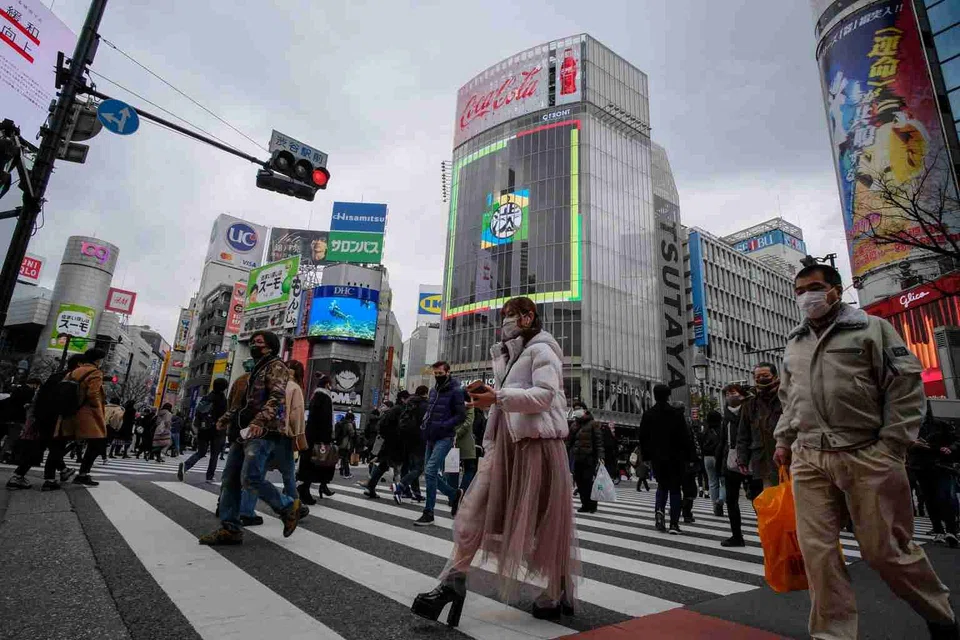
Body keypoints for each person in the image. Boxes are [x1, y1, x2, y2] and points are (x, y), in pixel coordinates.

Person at [773, 263, 958, 640]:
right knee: (817, 553)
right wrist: (783, 440)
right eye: (799, 291)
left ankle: (938, 614)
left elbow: (905, 388)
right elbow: (789, 398)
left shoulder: (872, 329)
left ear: (835, 290)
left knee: (885, 551)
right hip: (809, 455)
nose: (806, 296)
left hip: (866, 453)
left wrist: (892, 444)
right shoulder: (795, 341)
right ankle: (832, 634)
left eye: (814, 287)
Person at [412, 296, 579, 626]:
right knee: (473, 512)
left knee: (544, 522)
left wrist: (498, 397)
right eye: (504, 315)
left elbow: (545, 396)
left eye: (511, 315)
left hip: (537, 446)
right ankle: (451, 583)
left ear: (528, 317)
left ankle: (556, 589)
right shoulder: (508, 354)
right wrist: (490, 397)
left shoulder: (543, 350)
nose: (505, 321)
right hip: (504, 447)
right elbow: (508, 400)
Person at [199, 330, 301, 545]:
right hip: (243, 431)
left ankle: (287, 506)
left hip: (262, 431)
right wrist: (225, 418)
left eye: (259, 342)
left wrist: (259, 422)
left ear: (270, 346)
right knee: (230, 478)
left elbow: (276, 398)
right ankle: (230, 528)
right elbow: (243, 403)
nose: (254, 345)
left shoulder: (276, 366)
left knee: (250, 478)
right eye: (253, 341)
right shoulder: (256, 369)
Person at [393, 361, 466, 526]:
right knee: (428, 472)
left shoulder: (456, 391)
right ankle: (454, 495)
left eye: (441, 373)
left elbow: (461, 415)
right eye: (436, 373)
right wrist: (424, 426)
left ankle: (429, 512)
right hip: (430, 436)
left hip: (445, 437)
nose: (438, 376)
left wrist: (444, 425)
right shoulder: (433, 391)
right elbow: (430, 412)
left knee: (431, 470)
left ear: (448, 372)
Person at [6, 359, 80, 491]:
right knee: (54, 448)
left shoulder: (55, 377)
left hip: (44, 418)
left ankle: (18, 476)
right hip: (58, 419)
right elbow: (68, 403)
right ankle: (50, 480)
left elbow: (39, 396)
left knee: (40, 447)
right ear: (79, 365)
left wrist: (36, 416)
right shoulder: (71, 380)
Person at [638, 384, 693, 534]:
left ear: (654, 395)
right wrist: (689, 457)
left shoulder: (648, 414)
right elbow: (685, 438)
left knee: (662, 486)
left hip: (657, 457)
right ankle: (674, 524)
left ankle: (659, 513)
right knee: (675, 489)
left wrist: (647, 456)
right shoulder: (676, 414)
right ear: (668, 396)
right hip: (676, 457)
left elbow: (643, 437)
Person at [55, 349, 108, 487]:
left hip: (70, 411)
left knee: (64, 440)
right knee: (97, 442)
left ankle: (60, 466)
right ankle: (83, 474)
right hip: (87, 413)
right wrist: (97, 407)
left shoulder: (73, 372)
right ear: (98, 360)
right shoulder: (95, 372)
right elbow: (93, 393)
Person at [716, 383, 760, 547]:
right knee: (731, 500)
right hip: (731, 461)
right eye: (727, 394)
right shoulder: (726, 415)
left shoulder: (751, 410)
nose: (729, 396)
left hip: (751, 459)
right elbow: (722, 441)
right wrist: (720, 464)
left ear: (741, 395)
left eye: (733, 392)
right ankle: (736, 536)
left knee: (757, 500)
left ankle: (768, 534)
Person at [910, 405, 959, 547]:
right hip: (921, 467)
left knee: (945, 497)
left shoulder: (940, 424)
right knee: (930, 500)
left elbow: (956, 440)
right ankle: (938, 530)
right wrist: (912, 445)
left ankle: (951, 530)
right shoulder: (909, 427)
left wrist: (950, 449)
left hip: (941, 465)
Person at [736, 363, 782, 491]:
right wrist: (742, 459)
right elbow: (743, 434)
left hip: (789, 458)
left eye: (765, 375)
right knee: (771, 497)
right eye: (758, 377)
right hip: (763, 461)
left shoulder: (786, 397)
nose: (761, 379)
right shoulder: (750, 404)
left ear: (775, 376)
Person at [179, 378, 229, 483]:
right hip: (216, 430)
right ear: (224, 388)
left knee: (201, 452)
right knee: (214, 455)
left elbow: (198, 413)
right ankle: (209, 477)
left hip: (203, 429)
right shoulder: (223, 400)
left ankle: (186, 466)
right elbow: (225, 416)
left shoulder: (206, 397)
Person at [363, 390, 410, 499]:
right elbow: (399, 426)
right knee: (398, 467)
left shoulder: (394, 409)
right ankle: (399, 491)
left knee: (383, 465)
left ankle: (370, 487)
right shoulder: (400, 410)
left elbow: (382, 426)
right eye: (408, 399)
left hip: (389, 442)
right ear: (403, 399)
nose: (409, 401)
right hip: (395, 442)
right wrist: (396, 435)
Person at [297, 374, 336, 503]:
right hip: (319, 438)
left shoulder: (316, 396)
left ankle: (303, 488)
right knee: (315, 464)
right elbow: (325, 420)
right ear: (327, 385)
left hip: (311, 436)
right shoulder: (325, 397)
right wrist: (327, 438)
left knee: (310, 464)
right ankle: (303, 490)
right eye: (330, 384)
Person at [394, 385, 429, 502]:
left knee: (412, 467)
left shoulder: (409, 403)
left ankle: (416, 493)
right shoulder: (424, 405)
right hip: (419, 439)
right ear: (425, 393)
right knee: (418, 468)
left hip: (407, 439)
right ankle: (401, 486)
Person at [568, 402, 604, 513]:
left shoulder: (593, 424)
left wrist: (601, 456)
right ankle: (584, 504)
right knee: (579, 482)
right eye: (574, 409)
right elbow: (569, 442)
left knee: (588, 482)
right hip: (577, 458)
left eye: (578, 408)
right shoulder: (574, 425)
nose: (576, 411)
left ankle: (592, 505)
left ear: (584, 410)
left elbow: (598, 442)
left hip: (589, 458)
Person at [0, 377, 40, 464]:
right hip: (19, 418)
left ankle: (3, 455)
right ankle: (3, 456)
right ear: (35, 384)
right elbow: (27, 405)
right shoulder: (30, 392)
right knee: (12, 438)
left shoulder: (17, 389)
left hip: (8, 417)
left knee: (7, 437)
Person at [445, 403, 477, 494]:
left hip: (451, 439)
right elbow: (468, 422)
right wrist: (457, 433)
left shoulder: (451, 403)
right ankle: (461, 492)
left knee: (452, 468)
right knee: (469, 468)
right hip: (466, 441)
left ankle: (453, 495)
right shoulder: (469, 406)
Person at [701, 410, 725, 516]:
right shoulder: (721, 430)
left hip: (707, 458)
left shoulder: (705, 431)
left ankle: (715, 507)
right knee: (724, 481)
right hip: (719, 457)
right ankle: (720, 500)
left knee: (712, 482)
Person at [102, 397, 124, 464]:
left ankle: (104, 458)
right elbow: (116, 419)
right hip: (109, 427)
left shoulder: (104, 407)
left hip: (99, 426)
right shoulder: (118, 409)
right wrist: (115, 428)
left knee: (99, 443)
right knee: (104, 444)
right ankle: (104, 458)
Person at [335, 412, 357, 478]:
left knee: (342, 457)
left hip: (339, 443)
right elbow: (352, 434)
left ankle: (342, 471)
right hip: (345, 444)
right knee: (345, 459)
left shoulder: (340, 423)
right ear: (350, 419)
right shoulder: (349, 424)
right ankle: (347, 473)